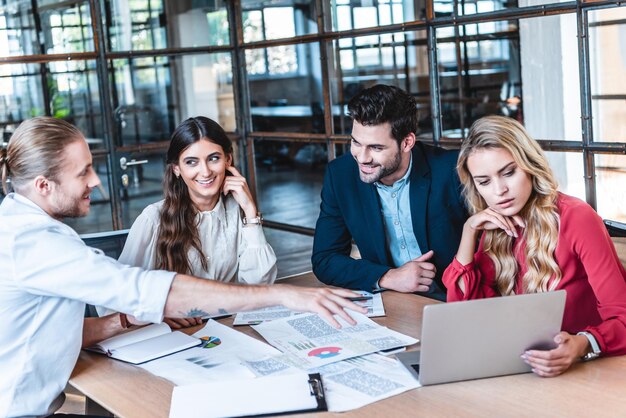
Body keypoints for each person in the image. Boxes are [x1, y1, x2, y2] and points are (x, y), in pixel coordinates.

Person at [0, 117, 365, 417]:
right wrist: (281, 294)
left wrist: (125, 320)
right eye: (84, 173)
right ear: (44, 185)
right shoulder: (35, 243)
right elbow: (150, 289)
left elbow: (59, 329)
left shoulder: (26, 229)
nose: (96, 181)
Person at [443, 115, 626, 377]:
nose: (500, 190)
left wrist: (582, 344)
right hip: (521, 371)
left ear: (530, 165)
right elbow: (466, 314)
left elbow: (623, 316)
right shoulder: (493, 225)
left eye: (508, 172)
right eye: (484, 181)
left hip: (587, 371)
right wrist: (469, 231)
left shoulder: (577, 217)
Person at [99, 117, 277, 329]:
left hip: (226, 328)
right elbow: (113, 302)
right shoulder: (153, 219)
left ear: (228, 160)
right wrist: (156, 313)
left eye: (213, 158)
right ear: (176, 169)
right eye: (191, 162)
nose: (205, 172)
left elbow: (259, 289)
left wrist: (251, 213)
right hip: (169, 336)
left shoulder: (239, 211)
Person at [312, 84, 467, 300]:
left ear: (407, 142)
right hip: (393, 299)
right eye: (356, 142)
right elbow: (325, 259)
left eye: (376, 148)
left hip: (460, 299)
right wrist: (388, 277)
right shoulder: (340, 176)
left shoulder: (452, 170)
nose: (362, 157)